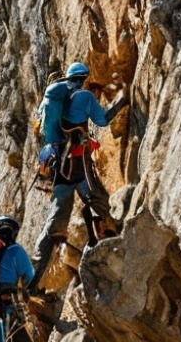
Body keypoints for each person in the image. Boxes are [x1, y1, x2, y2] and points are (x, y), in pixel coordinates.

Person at [30, 62, 128, 292]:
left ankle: (33, 277)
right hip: (77, 164)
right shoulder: (82, 96)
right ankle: (114, 244)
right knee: (97, 202)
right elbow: (103, 120)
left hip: (59, 168)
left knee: (54, 225)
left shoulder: (51, 101)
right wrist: (123, 98)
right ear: (83, 78)